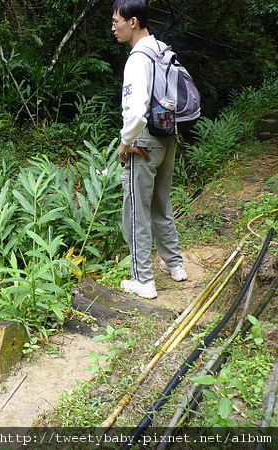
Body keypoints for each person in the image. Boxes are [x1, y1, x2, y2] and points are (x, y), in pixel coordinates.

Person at [112, 0, 187, 299]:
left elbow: (136, 108)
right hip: (169, 136)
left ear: (133, 22)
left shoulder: (137, 59)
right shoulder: (161, 49)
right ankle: (175, 264)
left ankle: (143, 280)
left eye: (116, 21)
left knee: (136, 211)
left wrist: (125, 141)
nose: (113, 27)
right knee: (160, 203)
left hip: (143, 141)